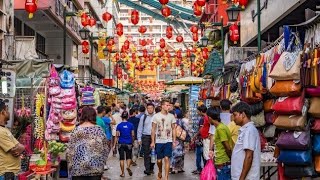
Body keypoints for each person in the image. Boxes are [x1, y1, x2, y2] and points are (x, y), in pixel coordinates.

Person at [68, 107, 108, 180]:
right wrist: (101, 164)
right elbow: (105, 150)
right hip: (95, 170)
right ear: (94, 116)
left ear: (82, 116)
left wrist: (70, 167)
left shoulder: (76, 130)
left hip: (78, 171)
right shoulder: (99, 130)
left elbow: (70, 151)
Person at [231, 102, 261, 180]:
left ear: (243, 114)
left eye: (235, 115)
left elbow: (249, 156)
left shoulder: (249, 130)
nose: (234, 118)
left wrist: (242, 178)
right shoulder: (245, 130)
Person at [151, 99, 176, 180]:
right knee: (159, 161)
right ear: (162, 106)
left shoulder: (171, 116)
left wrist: (174, 140)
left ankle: (166, 178)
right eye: (166, 105)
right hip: (159, 141)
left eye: (169, 105)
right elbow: (153, 129)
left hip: (168, 140)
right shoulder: (156, 116)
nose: (168, 107)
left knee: (166, 158)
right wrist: (152, 141)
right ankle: (160, 171)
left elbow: (174, 129)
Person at [0, 101, 25, 179]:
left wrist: (20, 148)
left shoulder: (5, 130)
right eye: (7, 110)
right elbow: (14, 149)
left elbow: (21, 147)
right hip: (6, 174)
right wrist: (19, 147)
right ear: (3, 112)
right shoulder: (0, 131)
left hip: (10, 173)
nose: (9, 112)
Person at [207, 107, 233, 180]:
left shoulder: (220, 128)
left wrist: (231, 159)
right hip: (222, 162)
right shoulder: (220, 127)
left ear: (209, 118)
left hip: (223, 163)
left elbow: (227, 147)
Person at [113, 111, 134, 177]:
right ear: (127, 117)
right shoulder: (131, 125)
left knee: (121, 159)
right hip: (129, 143)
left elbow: (117, 136)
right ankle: (128, 166)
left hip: (121, 143)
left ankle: (122, 173)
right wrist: (132, 142)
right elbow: (133, 135)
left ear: (122, 117)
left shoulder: (119, 125)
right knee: (129, 157)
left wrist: (114, 145)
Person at [137, 103, 155, 175]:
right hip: (146, 137)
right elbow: (140, 128)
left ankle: (151, 168)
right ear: (147, 109)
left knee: (153, 153)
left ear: (153, 109)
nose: (150, 109)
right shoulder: (143, 117)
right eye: (148, 108)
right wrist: (139, 139)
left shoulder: (156, 117)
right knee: (146, 153)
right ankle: (147, 169)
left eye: (151, 108)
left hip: (155, 137)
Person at [170, 109, 189, 174]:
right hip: (180, 139)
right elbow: (186, 129)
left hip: (174, 139)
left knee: (174, 154)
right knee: (180, 154)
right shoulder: (181, 121)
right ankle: (180, 168)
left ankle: (173, 168)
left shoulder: (171, 121)